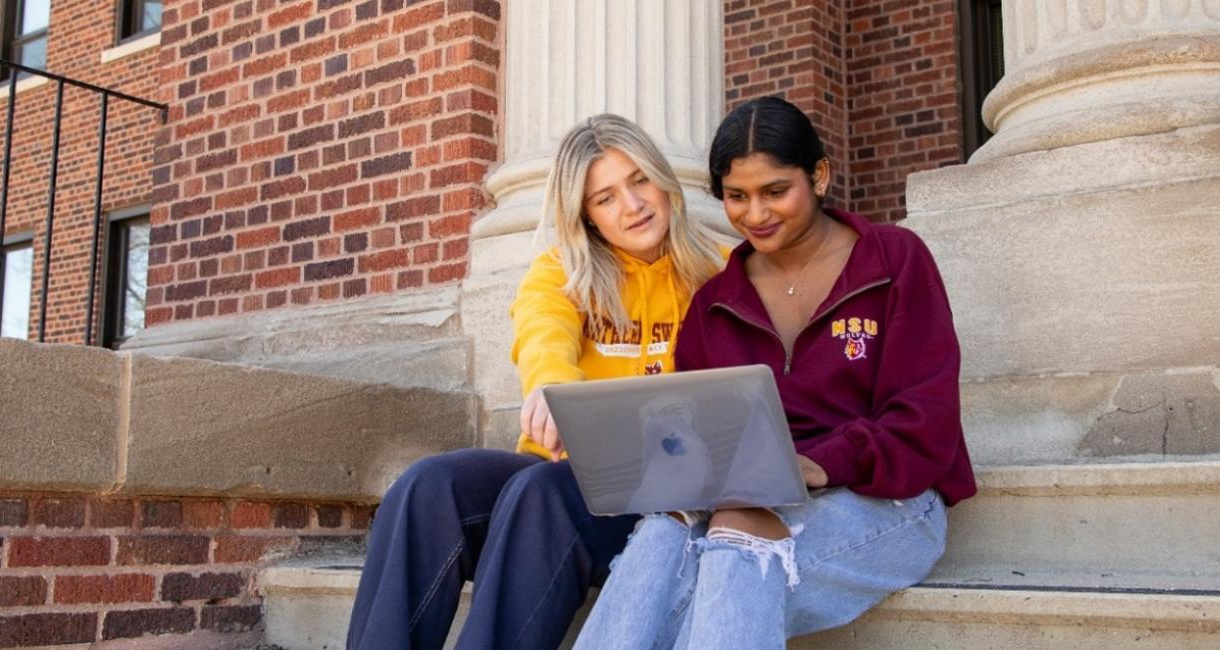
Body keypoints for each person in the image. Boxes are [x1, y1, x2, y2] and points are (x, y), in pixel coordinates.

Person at [573, 96, 977, 649]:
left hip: (889, 501)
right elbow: (698, 436)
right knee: (660, 535)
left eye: (775, 192)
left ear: (819, 175)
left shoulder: (893, 262)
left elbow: (925, 424)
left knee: (737, 547)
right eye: (737, 197)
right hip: (752, 500)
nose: (755, 215)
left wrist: (816, 464)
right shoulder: (715, 302)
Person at [344, 113, 724, 650]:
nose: (633, 205)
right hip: (568, 479)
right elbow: (543, 328)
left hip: (660, 495)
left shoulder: (722, 272)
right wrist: (551, 387)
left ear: (663, 179)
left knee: (541, 491)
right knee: (429, 486)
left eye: (639, 180)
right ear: (587, 215)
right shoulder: (564, 271)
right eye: (606, 197)